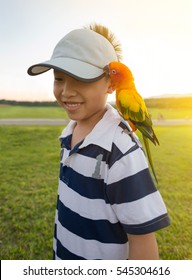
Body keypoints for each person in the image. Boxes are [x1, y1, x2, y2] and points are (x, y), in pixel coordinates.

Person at [28, 24, 170, 260]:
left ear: (111, 85)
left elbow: (143, 242)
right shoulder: (68, 133)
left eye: (81, 79)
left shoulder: (121, 151)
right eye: (59, 78)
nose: (66, 91)